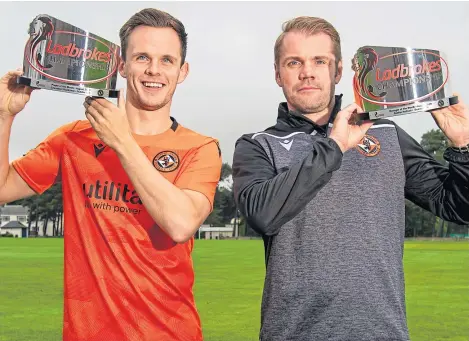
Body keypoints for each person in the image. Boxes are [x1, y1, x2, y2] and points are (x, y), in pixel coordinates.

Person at [232, 16, 469, 341]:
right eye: (293, 62)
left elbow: (457, 207)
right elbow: (261, 214)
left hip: (383, 333)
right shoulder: (258, 145)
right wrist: (335, 147)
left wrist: (463, 146)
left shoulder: (386, 133)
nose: (307, 72)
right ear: (277, 73)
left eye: (320, 61)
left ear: (338, 71)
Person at [0, 8, 221, 341]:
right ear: (121, 65)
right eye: (142, 57)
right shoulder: (73, 138)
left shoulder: (200, 148)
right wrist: (4, 116)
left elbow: (180, 223)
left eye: (166, 60)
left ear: (183, 70)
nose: (153, 70)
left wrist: (121, 142)